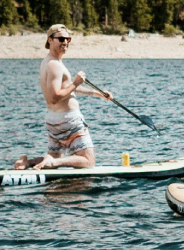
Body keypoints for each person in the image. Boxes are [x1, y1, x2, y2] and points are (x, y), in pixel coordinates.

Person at [12, 24, 112, 170]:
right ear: (50, 40)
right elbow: (54, 97)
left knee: (55, 157)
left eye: (67, 39)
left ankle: (28, 162)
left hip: (54, 120)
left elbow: (68, 89)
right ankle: (51, 162)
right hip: (69, 120)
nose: (65, 42)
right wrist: (76, 82)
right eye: (61, 39)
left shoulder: (49, 62)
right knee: (88, 161)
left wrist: (98, 94)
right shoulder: (54, 65)